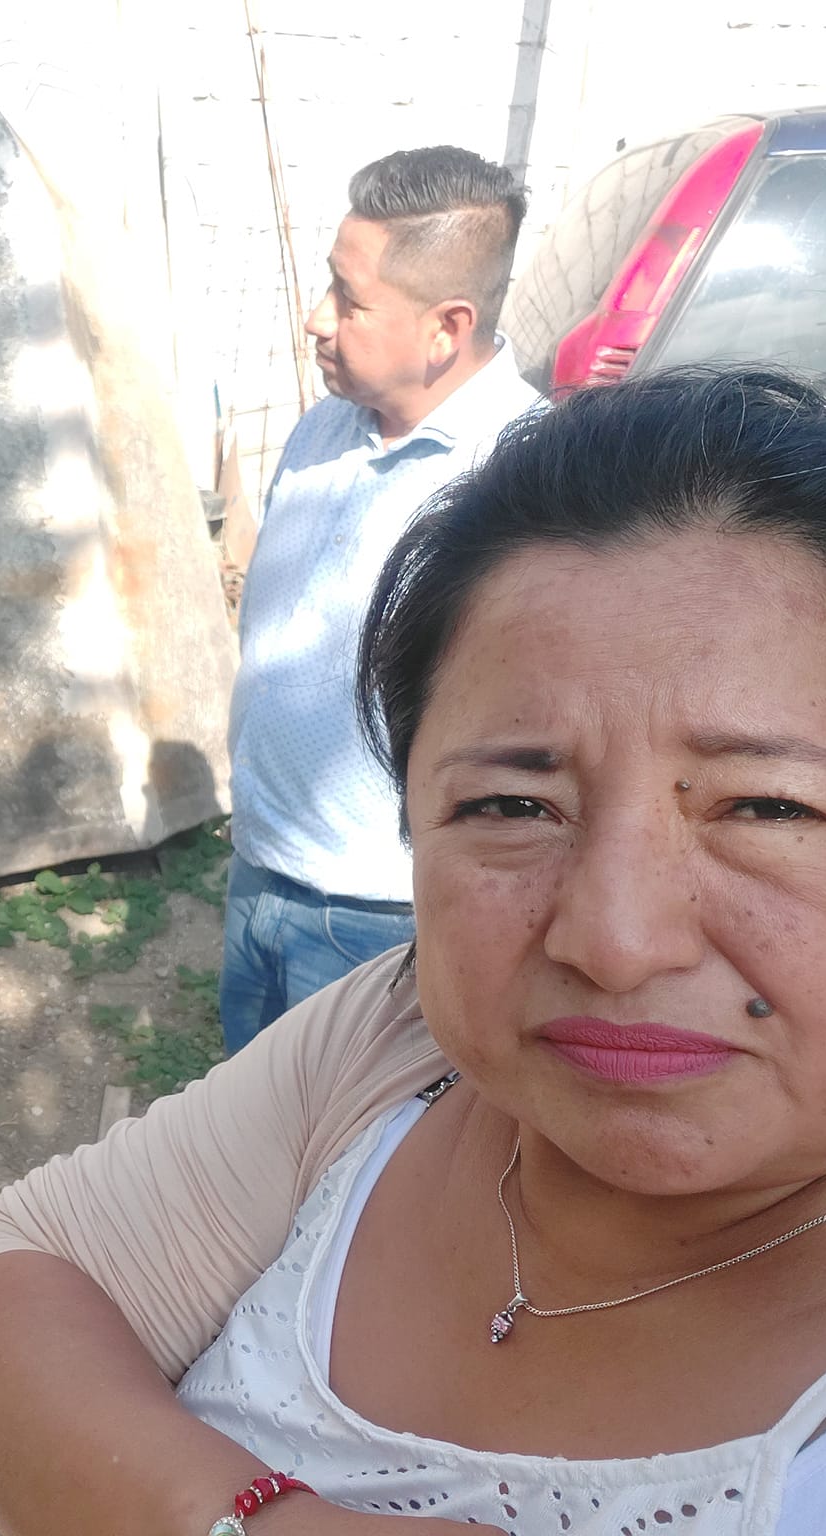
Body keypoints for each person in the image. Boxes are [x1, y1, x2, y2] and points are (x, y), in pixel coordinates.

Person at [0, 369, 826, 1534]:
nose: (613, 943)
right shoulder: (389, 1049)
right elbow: (14, 1278)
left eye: (764, 807)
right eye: (511, 806)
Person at [221, 146, 538, 1054]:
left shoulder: (525, 482)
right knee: (253, 1115)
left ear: (446, 328)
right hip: (260, 871)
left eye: (349, 300)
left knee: (367, 1136)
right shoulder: (325, 428)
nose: (317, 319)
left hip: (383, 917)